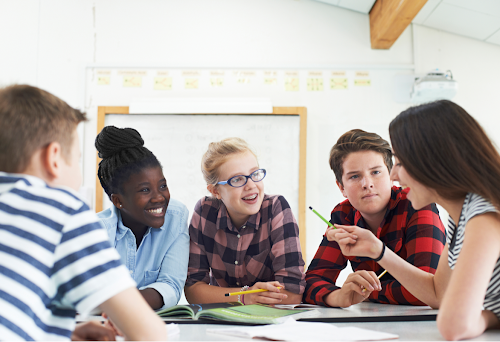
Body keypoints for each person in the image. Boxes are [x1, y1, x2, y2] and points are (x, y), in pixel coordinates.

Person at [0, 85, 166, 341]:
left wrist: (65, 333)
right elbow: (149, 333)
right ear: (54, 158)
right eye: (78, 158)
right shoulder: (60, 210)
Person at [331, 100, 500, 340]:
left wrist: (492, 315)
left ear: (432, 162)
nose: (393, 175)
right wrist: (377, 250)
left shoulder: (483, 216)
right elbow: (437, 293)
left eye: (399, 162)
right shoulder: (460, 216)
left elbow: (455, 325)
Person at [303, 129, 446, 308]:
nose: (367, 184)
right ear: (341, 187)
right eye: (355, 176)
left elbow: (427, 291)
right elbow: (311, 283)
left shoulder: (416, 202)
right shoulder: (343, 214)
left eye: (376, 172)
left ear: (391, 175)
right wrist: (340, 297)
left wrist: (366, 292)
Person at [184, 137, 306, 305]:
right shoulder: (205, 212)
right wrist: (244, 296)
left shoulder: (276, 208)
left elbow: (291, 293)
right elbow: (193, 290)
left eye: (255, 174)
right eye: (237, 179)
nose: (251, 185)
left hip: (272, 320)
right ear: (215, 191)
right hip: (221, 320)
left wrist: (236, 297)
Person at [95, 125, 189, 310]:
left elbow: (171, 285)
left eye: (162, 186)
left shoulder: (176, 217)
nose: (159, 198)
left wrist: (123, 303)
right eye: (145, 190)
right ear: (118, 200)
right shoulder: (96, 232)